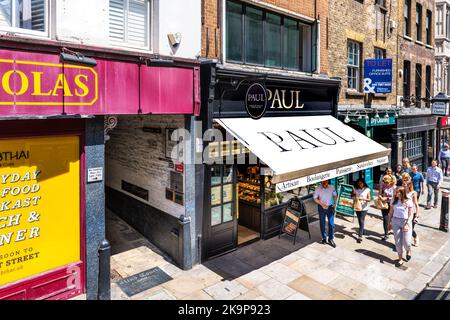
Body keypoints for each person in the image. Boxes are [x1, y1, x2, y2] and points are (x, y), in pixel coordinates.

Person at [388, 187, 414, 268]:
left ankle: (408, 250)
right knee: (398, 242)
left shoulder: (409, 201)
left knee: (406, 242)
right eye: (396, 192)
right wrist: (389, 223)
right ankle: (400, 259)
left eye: (398, 192)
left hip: (405, 222)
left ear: (402, 193)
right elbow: (391, 212)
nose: (396, 194)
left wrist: (407, 224)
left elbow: (411, 214)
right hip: (396, 221)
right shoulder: (393, 201)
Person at [313, 179, 338, 248]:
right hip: (321, 208)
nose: (324, 182)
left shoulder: (332, 187)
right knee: (322, 223)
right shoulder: (318, 188)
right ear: (321, 181)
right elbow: (315, 198)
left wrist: (335, 204)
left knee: (331, 224)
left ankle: (331, 239)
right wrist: (321, 204)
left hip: (330, 207)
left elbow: (335, 195)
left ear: (328, 181)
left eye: (326, 181)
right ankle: (324, 238)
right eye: (323, 181)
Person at [402, 173, 421, 247]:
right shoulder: (402, 191)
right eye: (403, 184)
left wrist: (417, 215)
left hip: (411, 213)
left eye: (405, 184)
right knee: (404, 228)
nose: (403, 185)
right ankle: (404, 242)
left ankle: (415, 237)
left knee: (410, 229)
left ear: (409, 185)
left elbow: (416, 204)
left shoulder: (413, 193)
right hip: (403, 213)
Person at [353, 178, 371, 243]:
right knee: (359, 220)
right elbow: (352, 195)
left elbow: (369, 199)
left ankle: (360, 236)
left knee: (361, 220)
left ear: (363, 183)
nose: (360, 184)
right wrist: (354, 196)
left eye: (361, 183)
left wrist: (363, 198)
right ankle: (362, 230)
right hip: (357, 206)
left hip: (364, 208)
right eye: (359, 183)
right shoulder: (355, 188)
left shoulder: (367, 189)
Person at [379, 174, 396, 240]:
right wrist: (380, 197)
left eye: (387, 182)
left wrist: (386, 198)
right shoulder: (383, 186)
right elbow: (380, 194)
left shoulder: (394, 187)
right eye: (384, 182)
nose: (385, 184)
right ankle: (386, 234)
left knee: (392, 219)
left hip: (392, 205)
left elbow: (395, 197)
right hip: (384, 204)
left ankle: (393, 230)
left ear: (391, 181)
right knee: (385, 219)